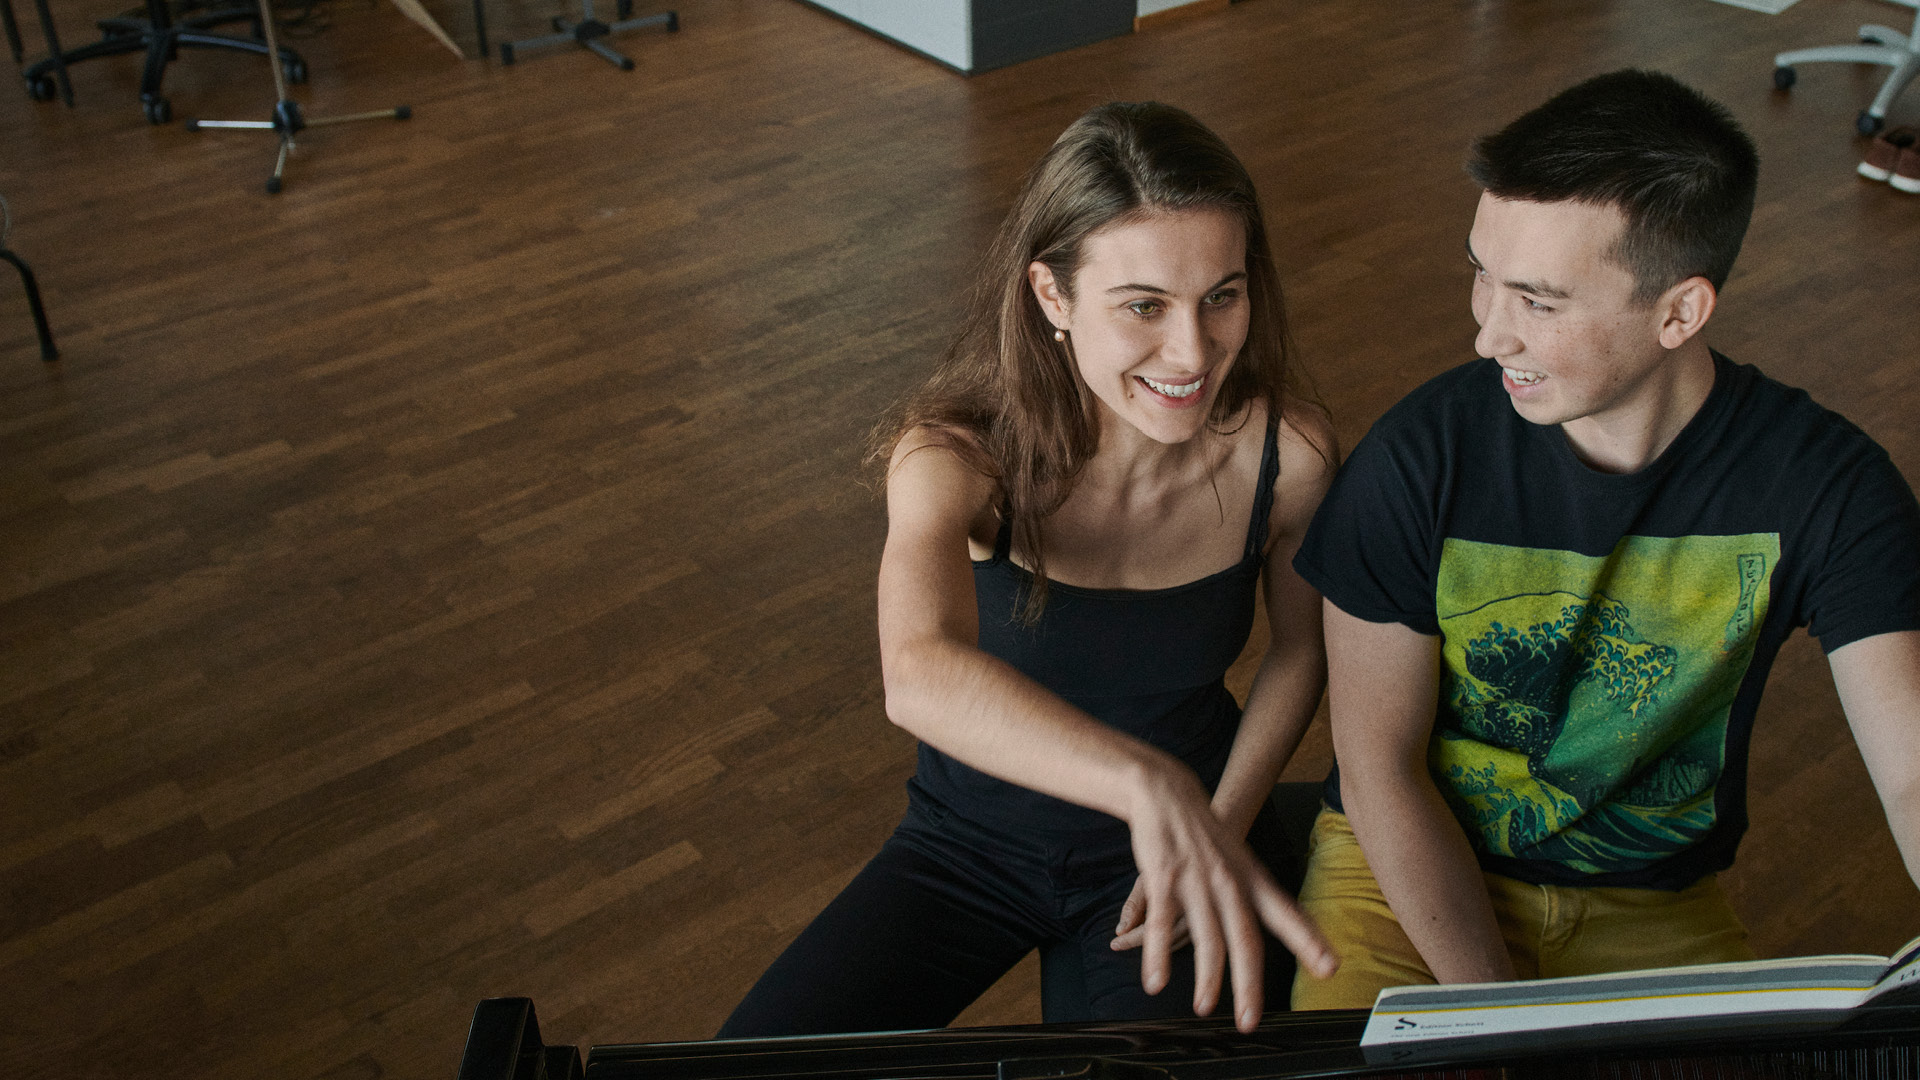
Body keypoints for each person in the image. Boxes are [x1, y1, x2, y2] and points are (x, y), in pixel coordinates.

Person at [1289, 69, 1920, 1011]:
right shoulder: (1417, 460)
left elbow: (1911, 769)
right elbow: (1378, 767)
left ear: (1679, 312)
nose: (1487, 335)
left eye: (1539, 302)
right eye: (1481, 274)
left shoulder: (1832, 488)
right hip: (1401, 875)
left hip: (1650, 899)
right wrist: (1499, 1020)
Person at [716, 101, 1341, 1040]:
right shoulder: (957, 454)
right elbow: (917, 672)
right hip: (968, 847)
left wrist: (1213, 823)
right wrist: (1145, 782)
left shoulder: (1288, 455)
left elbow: (1300, 654)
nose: (1194, 350)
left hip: (1171, 850)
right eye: (1143, 305)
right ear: (1052, 297)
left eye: (1223, 295)